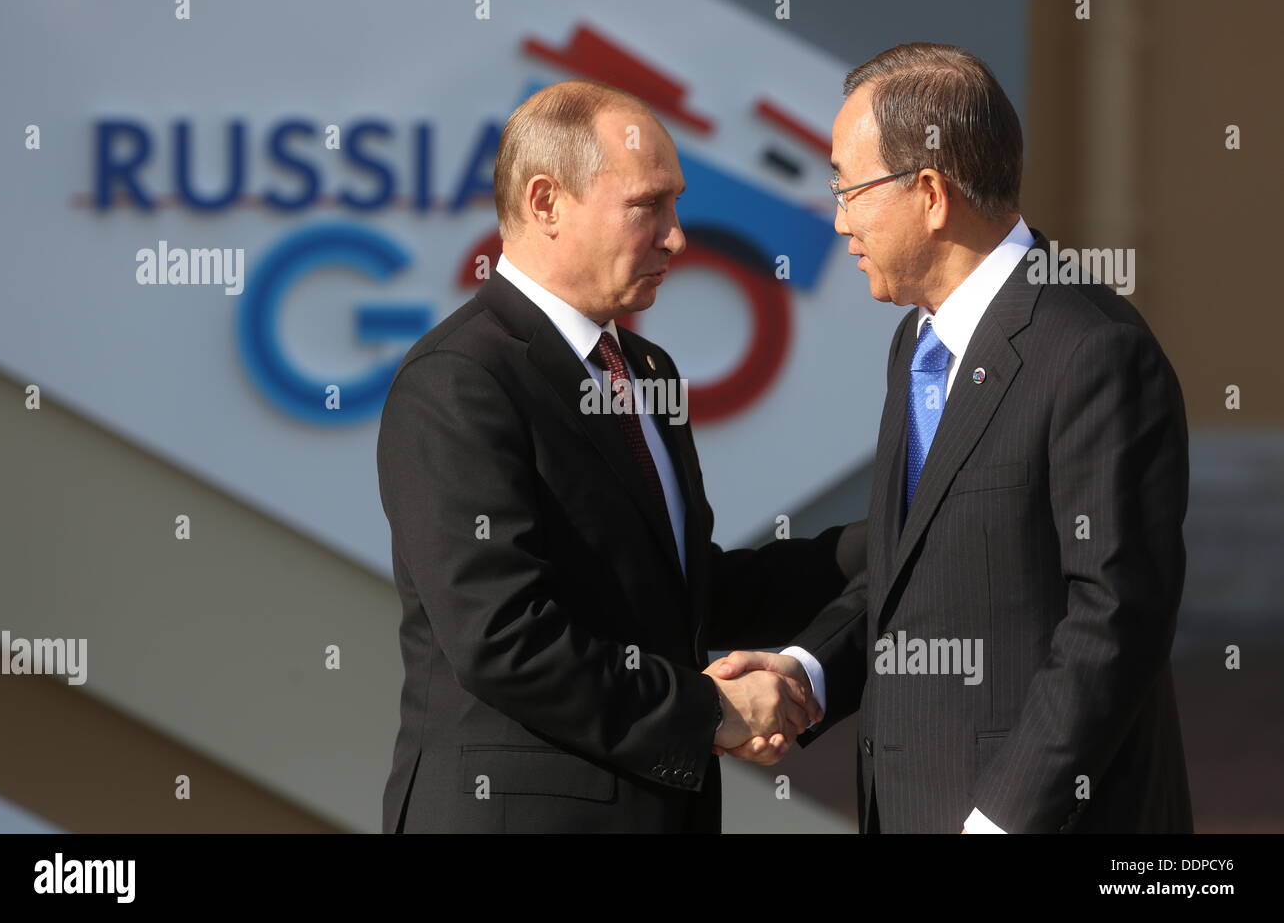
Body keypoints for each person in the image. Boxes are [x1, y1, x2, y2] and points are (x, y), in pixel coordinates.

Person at [713, 42, 1193, 833]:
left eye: (848, 186)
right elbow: (912, 570)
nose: (838, 218)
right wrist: (807, 672)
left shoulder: (1091, 349)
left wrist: (999, 821)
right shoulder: (919, 342)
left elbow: (1114, 618)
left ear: (930, 193)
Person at [376, 79, 859, 833]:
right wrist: (709, 713)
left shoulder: (647, 370)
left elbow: (680, 595)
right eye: (647, 205)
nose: (676, 236)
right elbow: (504, 636)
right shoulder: (459, 379)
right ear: (545, 203)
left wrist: (891, 541)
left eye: (676, 203)